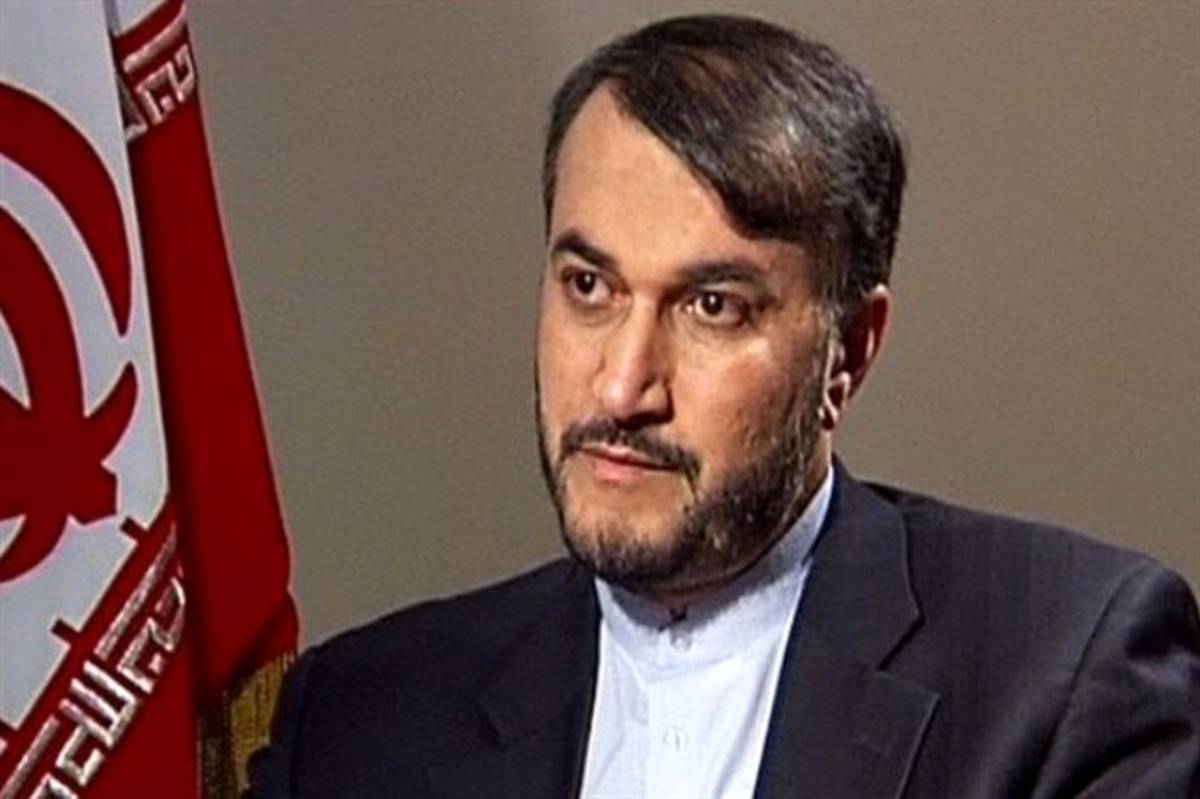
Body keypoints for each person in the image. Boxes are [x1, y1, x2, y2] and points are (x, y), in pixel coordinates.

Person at [249, 14, 1199, 798]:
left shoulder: (1066, 667)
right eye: (589, 286)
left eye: (713, 306)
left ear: (848, 351)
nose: (622, 388)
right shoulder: (357, 718)